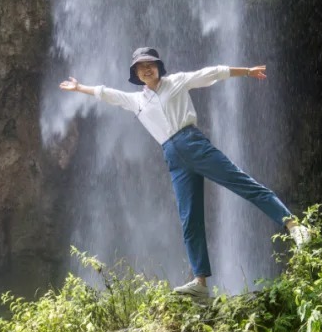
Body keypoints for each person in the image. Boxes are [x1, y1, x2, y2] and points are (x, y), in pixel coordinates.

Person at [59, 46, 308, 302]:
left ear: (158, 67)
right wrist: (80, 88)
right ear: (135, 73)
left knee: (240, 182)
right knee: (189, 217)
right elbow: (107, 93)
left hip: (192, 142)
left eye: (150, 64)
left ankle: (293, 224)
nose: (146, 69)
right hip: (173, 156)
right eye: (140, 67)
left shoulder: (176, 82)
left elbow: (211, 73)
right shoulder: (137, 101)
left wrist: (246, 71)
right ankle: (200, 282)